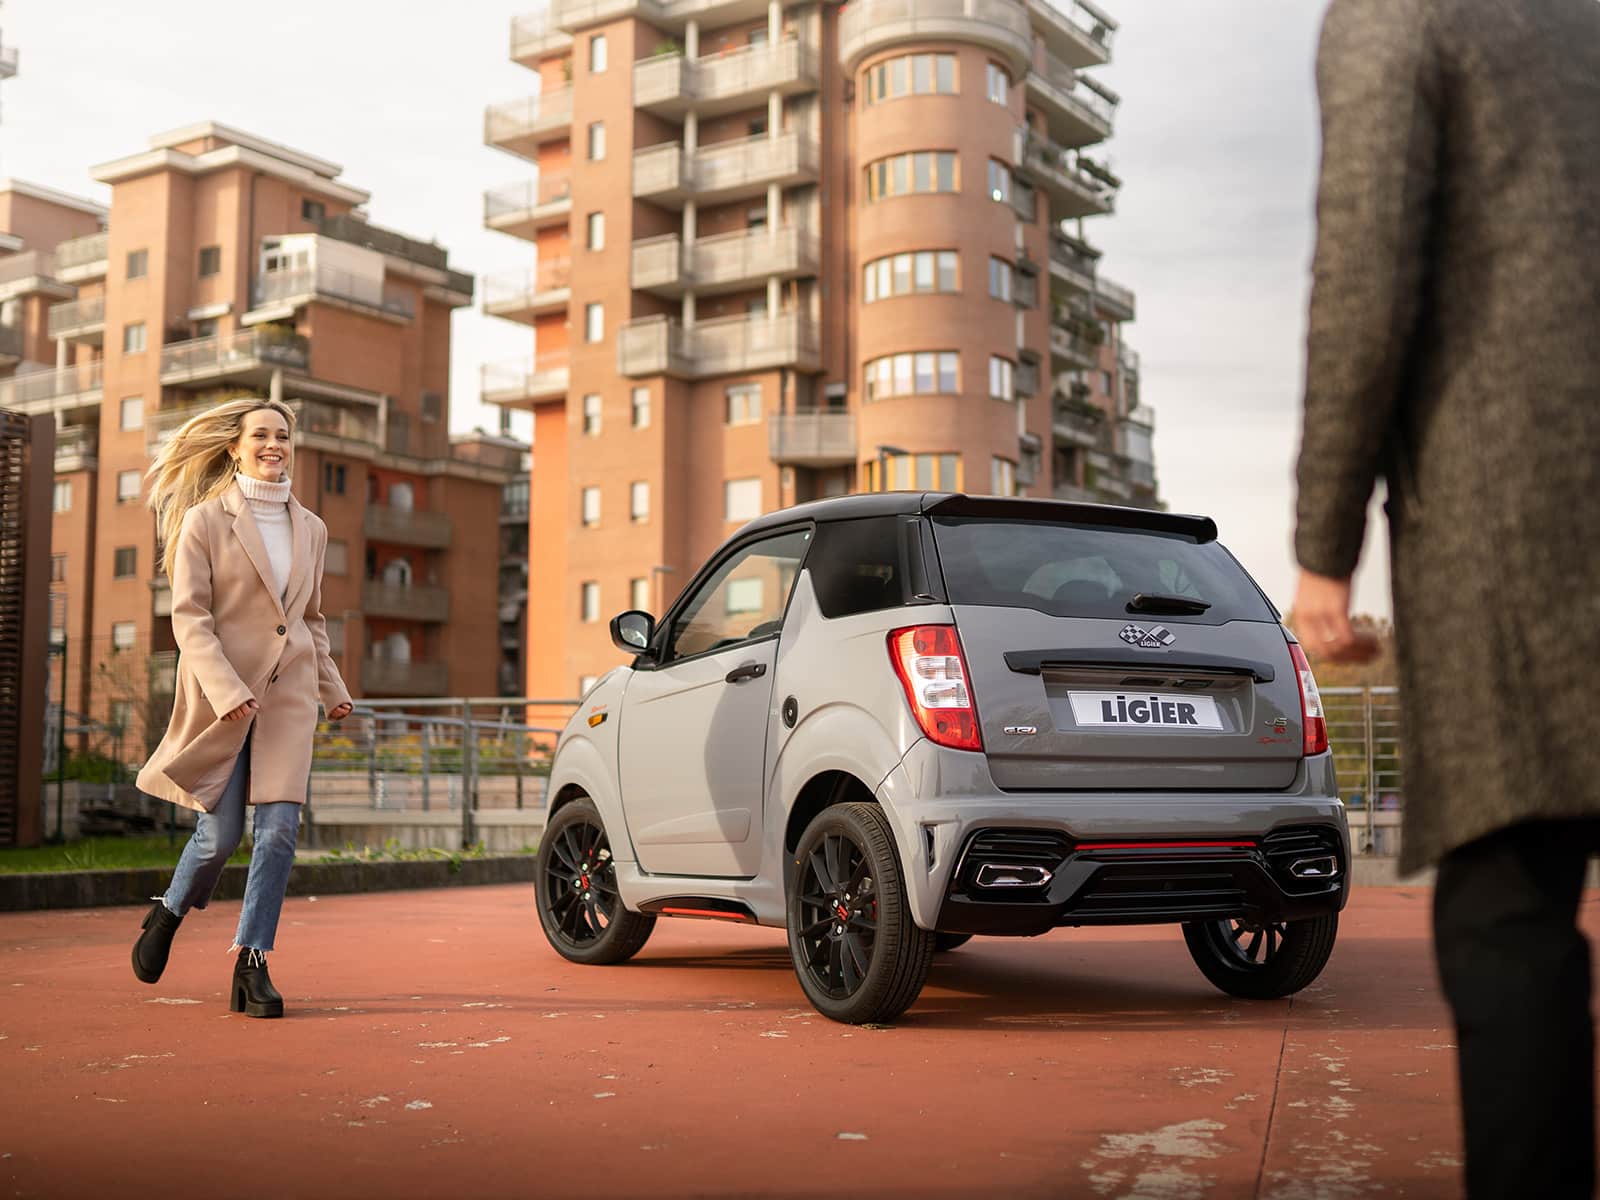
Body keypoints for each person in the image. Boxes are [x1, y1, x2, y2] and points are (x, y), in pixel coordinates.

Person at [1292, 0, 1600, 1194]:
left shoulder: (1397, 17)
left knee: (1506, 902)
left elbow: (1363, 280)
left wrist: (1323, 543)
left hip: (1522, 515)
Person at [130, 397, 353, 1019]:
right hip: (222, 698)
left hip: (287, 697)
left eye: (283, 435)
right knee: (220, 836)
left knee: (278, 832)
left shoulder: (312, 528)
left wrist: (331, 687)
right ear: (235, 447)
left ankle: (253, 962)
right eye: (261, 434)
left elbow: (309, 619)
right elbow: (190, 618)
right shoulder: (204, 521)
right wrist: (227, 690)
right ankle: (169, 909)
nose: (273, 444)